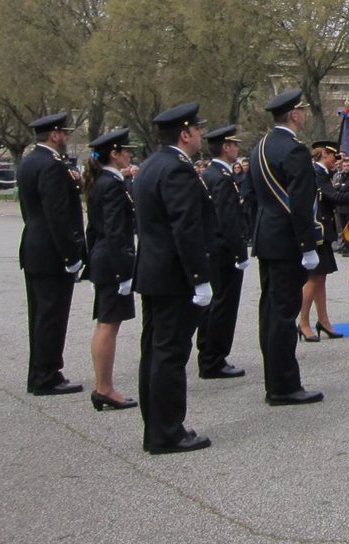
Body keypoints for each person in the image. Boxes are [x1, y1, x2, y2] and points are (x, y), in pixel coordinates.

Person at [133, 102, 214, 454]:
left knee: (154, 351)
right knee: (169, 354)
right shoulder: (177, 170)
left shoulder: (151, 165)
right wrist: (199, 278)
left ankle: (156, 424)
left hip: (153, 270)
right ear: (184, 133)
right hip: (173, 275)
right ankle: (167, 431)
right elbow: (186, 228)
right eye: (197, 129)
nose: (199, 134)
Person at [249, 88, 323, 406]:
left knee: (270, 313)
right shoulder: (293, 150)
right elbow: (302, 202)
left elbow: (254, 199)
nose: (304, 115)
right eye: (302, 111)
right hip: (288, 241)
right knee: (283, 315)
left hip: (267, 238)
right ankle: (283, 385)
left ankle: (275, 378)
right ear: (293, 114)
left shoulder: (261, 147)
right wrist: (308, 246)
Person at [17, 111, 88, 397]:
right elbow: (58, 215)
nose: (67, 138)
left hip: (34, 245)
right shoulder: (50, 165)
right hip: (51, 252)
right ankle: (47, 375)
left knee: (40, 315)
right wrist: (71, 255)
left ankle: (40, 372)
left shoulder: (29, 161)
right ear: (55, 135)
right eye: (65, 133)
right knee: (51, 316)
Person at [83, 127, 138, 411]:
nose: (130, 154)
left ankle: (102, 385)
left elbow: (93, 230)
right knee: (108, 325)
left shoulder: (100, 181)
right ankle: (104, 387)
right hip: (112, 260)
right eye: (126, 150)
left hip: (102, 259)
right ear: (114, 154)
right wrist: (124, 272)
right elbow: (117, 233)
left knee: (105, 324)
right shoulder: (112, 184)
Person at [302, 140, 349, 341]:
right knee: (313, 278)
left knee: (320, 278)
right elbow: (332, 196)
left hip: (322, 231)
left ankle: (323, 320)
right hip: (317, 232)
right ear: (324, 154)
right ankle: (304, 322)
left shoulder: (321, 173)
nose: (336, 161)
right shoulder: (316, 173)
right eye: (333, 156)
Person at [196, 125, 251, 378]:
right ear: (226, 147)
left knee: (214, 305)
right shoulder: (221, 177)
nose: (237, 149)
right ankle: (214, 358)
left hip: (212, 248)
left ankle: (208, 354)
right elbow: (228, 219)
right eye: (235, 145)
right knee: (223, 306)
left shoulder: (210, 174)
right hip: (224, 251)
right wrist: (241, 253)